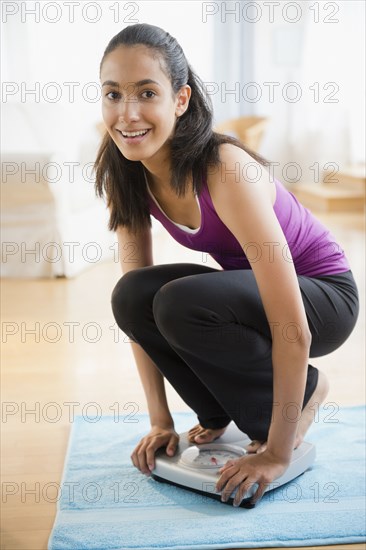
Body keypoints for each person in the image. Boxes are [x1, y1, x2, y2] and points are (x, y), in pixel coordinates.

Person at [94, 23, 359, 507]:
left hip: (323, 297)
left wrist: (277, 452)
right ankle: (215, 412)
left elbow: (291, 324)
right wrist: (160, 422)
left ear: (180, 100)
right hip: (256, 295)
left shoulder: (223, 166)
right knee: (132, 295)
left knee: (180, 302)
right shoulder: (125, 171)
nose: (127, 114)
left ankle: (308, 392)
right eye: (113, 94)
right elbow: (135, 316)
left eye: (146, 93)